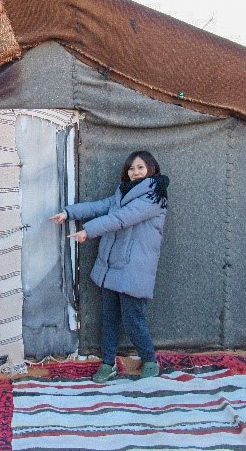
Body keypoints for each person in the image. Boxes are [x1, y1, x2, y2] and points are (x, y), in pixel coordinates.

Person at [49, 151, 168, 383]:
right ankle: (108, 362)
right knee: (109, 318)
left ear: (151, 169)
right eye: (132, 168)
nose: (135, 172)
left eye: (141, 168)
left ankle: (150, 359)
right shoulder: (122, 193)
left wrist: (88, 231)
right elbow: (100, 207)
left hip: (134, 268)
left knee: (134, 319)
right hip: (112, 265)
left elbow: (121, 218)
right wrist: (68, 212)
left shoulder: (154, 197)